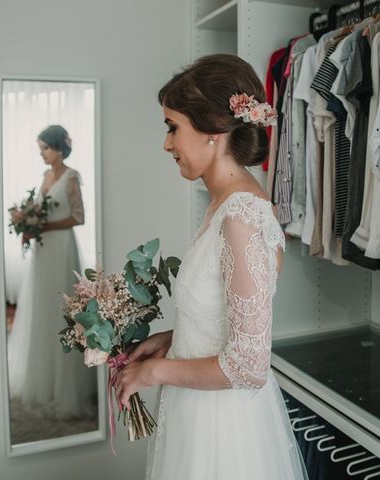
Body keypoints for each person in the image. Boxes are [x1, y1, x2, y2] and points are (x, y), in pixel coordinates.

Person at [114, 55, 308, 479]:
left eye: (172, 127)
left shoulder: (241, 217)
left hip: (224, 431)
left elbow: (248, 366)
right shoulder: (223, 205)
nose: (167, 144)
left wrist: (153, 371)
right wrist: (171, 339)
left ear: (213, 133)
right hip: (196, 408)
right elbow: (224, 318)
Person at [7, 125, 96, 419]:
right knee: (42, 309)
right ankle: (43, 381)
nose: (42, 154)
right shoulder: (45, 176)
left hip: (62, 249)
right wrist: (29, 224)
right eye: (40, 149)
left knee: (62, 310)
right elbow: (39, 210)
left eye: (45, 148)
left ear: (59, 148)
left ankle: (67, 387)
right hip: (43, 252)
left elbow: (78, 216)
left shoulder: (72, 177)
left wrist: (42, 226)